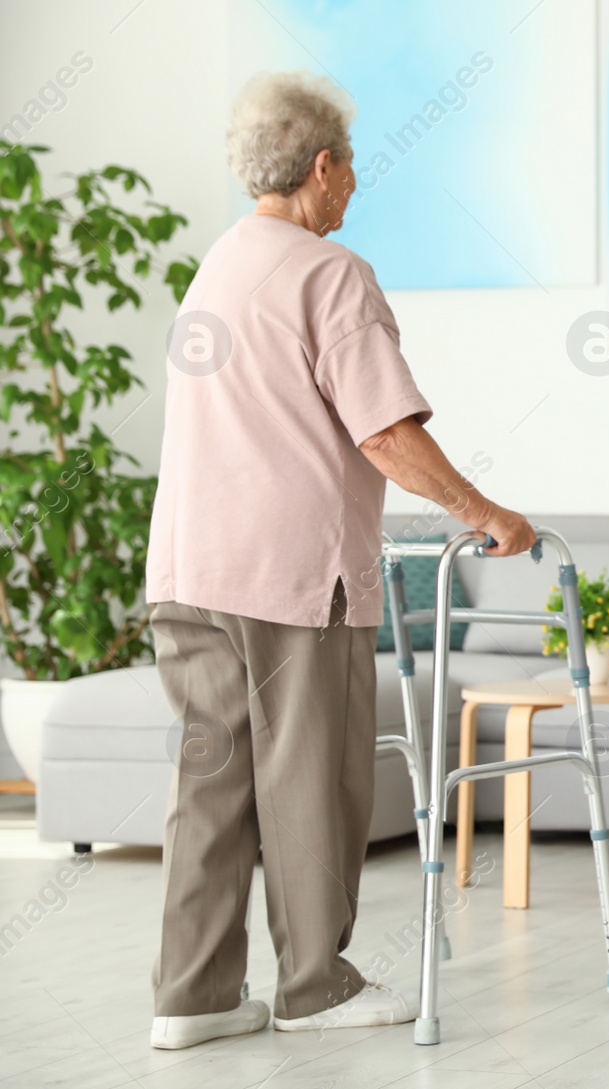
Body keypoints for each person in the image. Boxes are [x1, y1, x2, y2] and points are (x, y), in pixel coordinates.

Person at [144, 71, 536, 1050]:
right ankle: (316, 987)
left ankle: (190, 1000)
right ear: (321, 167)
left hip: (190, 573)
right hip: (289, 579)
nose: (355, 186)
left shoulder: (217, 268)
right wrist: (482, 511)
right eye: (351, 167)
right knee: (311, 781)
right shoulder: (330, 274)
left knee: (213, 784)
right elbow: (385, 431)